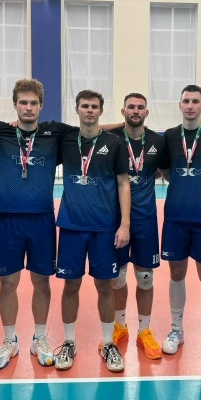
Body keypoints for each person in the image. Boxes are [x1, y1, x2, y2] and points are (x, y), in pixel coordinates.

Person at [0, 80, 77, 369]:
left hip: (41, 218)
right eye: (23, 102)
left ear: (41, 106)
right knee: (8, 283)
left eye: (33, 103)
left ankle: (39, 338)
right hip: (8, 218)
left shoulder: (54, 133)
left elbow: (90, 126)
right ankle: (9, 340)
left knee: (41, 281)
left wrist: (128, 122)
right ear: (15, 105)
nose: (28, 107)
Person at [54, 90, 131, 373]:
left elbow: (123, 183)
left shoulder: (114, 143)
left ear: (101, 110)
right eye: (84, 106)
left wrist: (125, 224)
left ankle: (108, 343)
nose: (89, 110)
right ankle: (69, 341)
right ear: (76, 109)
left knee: (104, 286)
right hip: (72, 226)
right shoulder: (65, 141)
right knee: (70, 285)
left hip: (104, 228)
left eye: (94, 106)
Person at [157, 84, 201, 360]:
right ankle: (177, 329)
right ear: (180, 105)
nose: (190, 105)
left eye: (195, 101)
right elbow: (165, 170)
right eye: (186, 101)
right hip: (176, 216)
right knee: (176, 274)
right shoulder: (170, 136)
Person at [108, 93, 166, 360]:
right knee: (117, 277)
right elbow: (86, 127)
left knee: (145, 278)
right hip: (115, 219)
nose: (135, 110)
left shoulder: (157, 141)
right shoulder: (111, 139)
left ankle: (144, 331)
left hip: (145, 219)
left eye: (140, 107)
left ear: (147, 112)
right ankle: (120, 326)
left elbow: (163, 171)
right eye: (130, 107)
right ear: (122, 111)